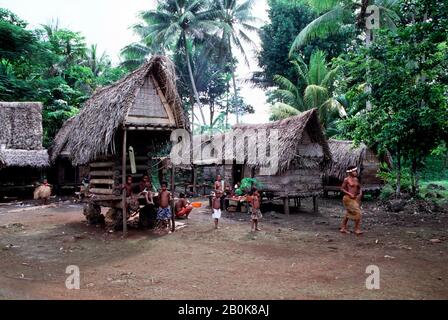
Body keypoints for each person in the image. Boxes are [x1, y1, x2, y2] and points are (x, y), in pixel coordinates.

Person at [340, 166, 363, 235]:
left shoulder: (356, 179)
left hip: (355, 199)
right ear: (350, 172)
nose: (355, 172)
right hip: (347, 198)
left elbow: (359, 187)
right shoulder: (346, 179)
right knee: (358, 212)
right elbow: (342, 188)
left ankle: (343, 228)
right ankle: (357, 229)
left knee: (348, 213)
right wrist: (349, 194)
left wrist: (360, 194)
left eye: (355, 171)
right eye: (354, 171)